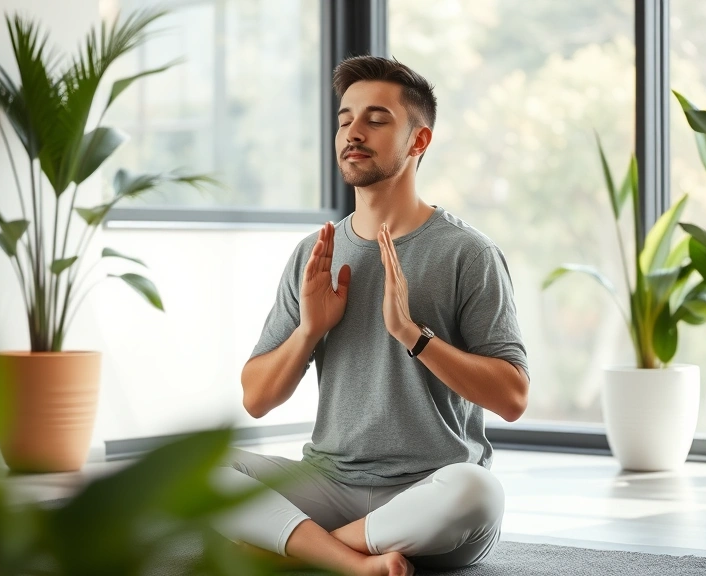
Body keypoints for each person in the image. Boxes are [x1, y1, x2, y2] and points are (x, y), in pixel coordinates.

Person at [212, 55, 530, 576]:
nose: (353, 133)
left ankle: (303, 552)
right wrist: (311, 330)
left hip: (431, 493)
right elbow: (256, 398)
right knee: (204, 470)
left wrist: (413, 335)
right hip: (327, 483)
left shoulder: (468, 253)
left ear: (419, 141)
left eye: (376, 120)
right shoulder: (315, 253)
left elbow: (513, 397)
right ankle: (353, 563)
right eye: (344, 120)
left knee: (479, 491)